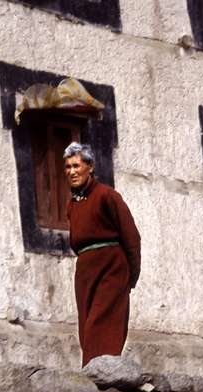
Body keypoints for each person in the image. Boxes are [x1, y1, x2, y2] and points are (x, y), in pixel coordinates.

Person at [64, 142, 141, 367]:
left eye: (77, 165)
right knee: (86, 325)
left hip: (112, 267)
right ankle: (91, 370)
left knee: (102, 321)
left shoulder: (108, 196)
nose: (72, 171)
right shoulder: (72, 205)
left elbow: (132, 237)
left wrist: (131, 275)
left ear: (90, 167)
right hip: (86, 270)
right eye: (68, 167)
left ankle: (102, 375)